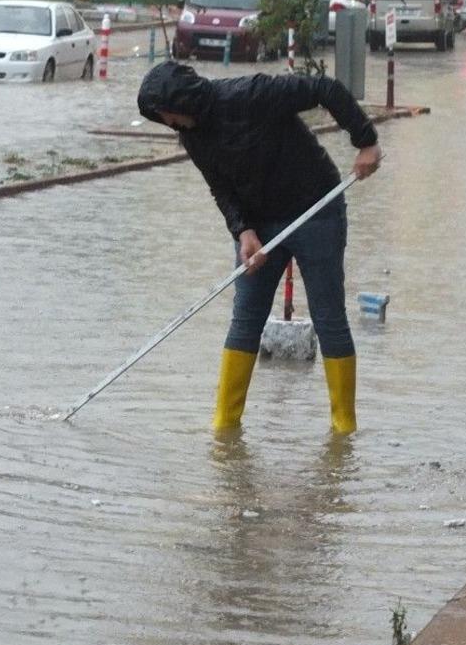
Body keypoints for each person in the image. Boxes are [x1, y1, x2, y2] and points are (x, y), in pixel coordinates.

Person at [136, 61, 382, 435]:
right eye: (160, 118)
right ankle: (225, 425)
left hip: (315, 209)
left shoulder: (251, 93)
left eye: (166, 113)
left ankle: (344, 427)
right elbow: (221, 188)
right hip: (260, 226)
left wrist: (365, 141)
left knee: (328, 313)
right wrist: (243, 231)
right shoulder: (192, 136)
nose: (167, 121)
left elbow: (325, 88)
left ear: (182, 101)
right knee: (246, 317)